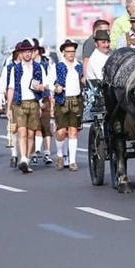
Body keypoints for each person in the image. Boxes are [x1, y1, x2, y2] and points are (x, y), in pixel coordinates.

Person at [5, 39, 45, 175]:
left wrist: (41, 88)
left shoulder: (38, 67)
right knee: (21, 131)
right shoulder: (15, 68)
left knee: (31, 133)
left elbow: (45, 86)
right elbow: (11, 87)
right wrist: (8, 107)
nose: (27, 54)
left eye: (29, 52)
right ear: (20, 53)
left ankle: (26, 159)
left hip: (34, 102)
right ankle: (22, 158)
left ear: (32, 53)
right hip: (19, 103)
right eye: (25, 52)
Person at [52, 40, 85, 172]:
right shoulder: (58, 66)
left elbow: (83, 79)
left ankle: (72, 161)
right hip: (62, 100)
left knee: (73, 131)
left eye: (73, 52)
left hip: (76, 100)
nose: (71, 54)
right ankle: (60, 155)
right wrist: (56, 87)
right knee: (61, 131)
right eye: (69, 52)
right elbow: (50, 82)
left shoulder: (79, 66)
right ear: (63, 53)